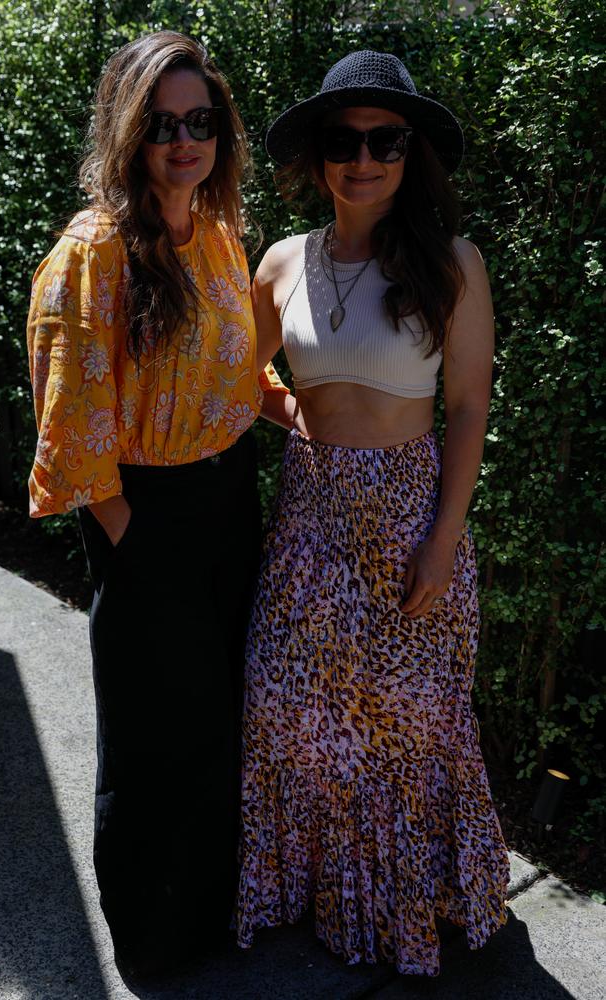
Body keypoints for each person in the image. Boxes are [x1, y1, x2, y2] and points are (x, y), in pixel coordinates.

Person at [236, 50, 510, 976]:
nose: (363, 159)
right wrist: (299, 421)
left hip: (407, 521)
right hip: (309, 521)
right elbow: (236, 376)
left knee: (405, 728)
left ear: (410, 153)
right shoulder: (282, 261)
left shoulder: (453, 265)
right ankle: (319, 896)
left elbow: (468, 408)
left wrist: (442, 542)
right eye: (345, 141)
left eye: (384, 140)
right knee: (292, 712)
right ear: (319, 156)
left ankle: (411, 909)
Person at [26, 31, 287, 985]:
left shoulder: (218, 231)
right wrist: (140, 548)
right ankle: (151, 943)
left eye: (200, 122)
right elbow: (73, 428)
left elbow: (235, 367)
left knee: (216, 721)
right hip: (146, 519)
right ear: (129, 133)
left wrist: (293, 408)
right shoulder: (94, 254)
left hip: (228, 506)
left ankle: (209, 917)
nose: (185, 142)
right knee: (150, 741)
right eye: (163, 124)